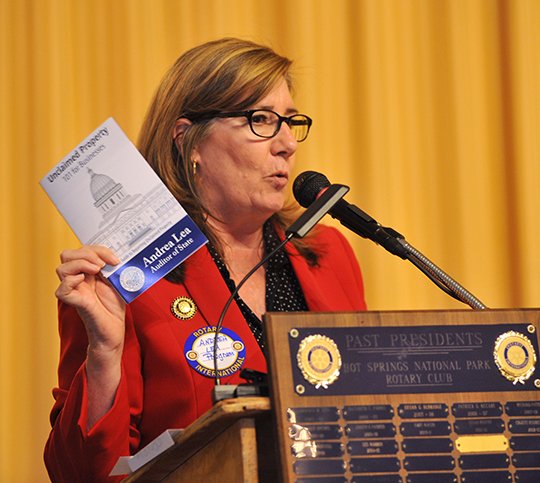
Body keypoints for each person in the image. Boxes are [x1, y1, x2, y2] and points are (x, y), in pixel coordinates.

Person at [44, 37, 367, 482]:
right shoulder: (122, 277)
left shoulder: (329, 256)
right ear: (188, 140)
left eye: (291, 122)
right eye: (261, 120)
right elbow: (80, 474)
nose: (288, 144)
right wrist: (104, 353)